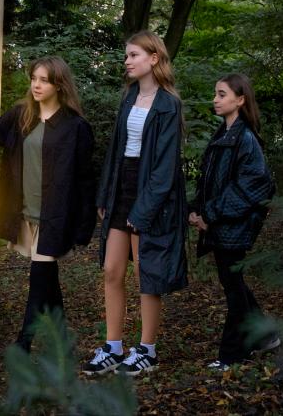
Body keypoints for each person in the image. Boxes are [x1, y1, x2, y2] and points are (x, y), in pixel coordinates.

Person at [0, 56, 96, 353]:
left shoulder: (76, 127)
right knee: (46, 275)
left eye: (44, 80)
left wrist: (83, 226)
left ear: (58, 84)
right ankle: (62, 335)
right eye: (34, 78)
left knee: (40, 273)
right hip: (25, 213)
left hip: (56, 216)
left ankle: (24, 342)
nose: (36, 85)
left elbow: (84, 180)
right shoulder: (20, 116)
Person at [83, 31, 188, 377]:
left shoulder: (168, 105)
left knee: (147, 273)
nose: (126, 61)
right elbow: (116, 152)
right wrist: (105, 196)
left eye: (133, 55)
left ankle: (147, 350)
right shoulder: (129, 97)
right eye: (126, 56)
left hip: (150, 195)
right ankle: (113, 347)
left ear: (153, 59)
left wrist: (143, 212)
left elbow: (164, 166)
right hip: (122, 188)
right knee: (112, 270)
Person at [188, 73, 278, 371]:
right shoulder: (222, 135)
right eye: (216, 93)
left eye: (222, 94)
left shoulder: (246, 138)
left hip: (234, 225)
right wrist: (196, 210)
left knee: (233, 288)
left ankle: (232, 354)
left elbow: (250, 187)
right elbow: (211, 182)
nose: (216, 99)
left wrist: (210, 214)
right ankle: (266, 337)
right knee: (233, 282)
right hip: (219, 223)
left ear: (240, 99)